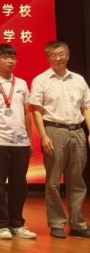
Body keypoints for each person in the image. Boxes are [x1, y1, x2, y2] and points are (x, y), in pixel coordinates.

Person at [30, 40, 90, 239]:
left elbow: (86, 107)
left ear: (68, 55)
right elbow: (36, 110)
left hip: (78, 132)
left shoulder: (79, 80)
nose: (58, 58)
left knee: (77, 180)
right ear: (48, 57)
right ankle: (56, 223)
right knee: (53, 181)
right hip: (54, 131)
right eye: (53, 55)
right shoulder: (41, 80)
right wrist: (43, 135)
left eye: (61, 54)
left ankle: (77, 224)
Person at [0, 44, 36, 240]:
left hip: (20, 141)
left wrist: (30, 139)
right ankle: (1, 224)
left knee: (19, 185)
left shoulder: (22, 84)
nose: (10, 60)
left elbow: (27, 113)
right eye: (5, 57)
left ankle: (17, 223)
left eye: (12, 57)